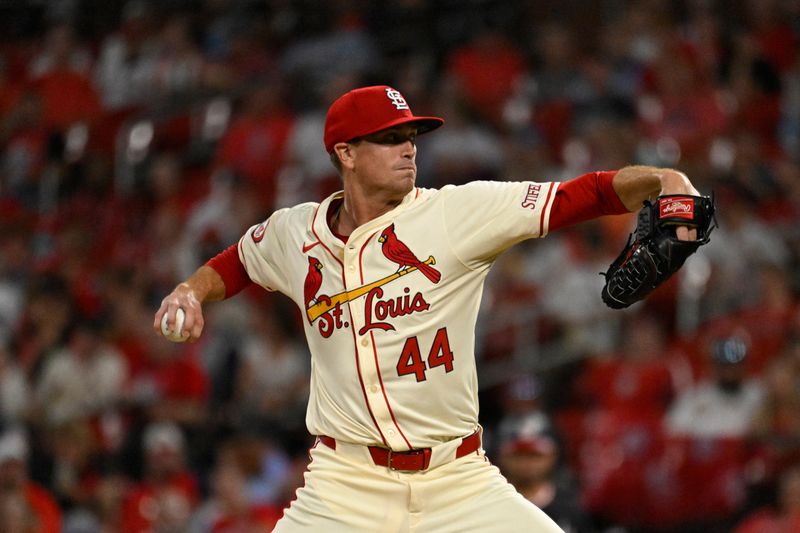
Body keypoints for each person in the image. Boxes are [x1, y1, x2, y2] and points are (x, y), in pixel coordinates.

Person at [154, 85, 703, 532]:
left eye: (411, 136)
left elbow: (585, 194)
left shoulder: (456, 213)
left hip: (457, 480)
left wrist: (664, 180)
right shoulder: (294, 231)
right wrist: (190, 291)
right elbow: (239, 262)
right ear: (345, 154)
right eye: (391, 139)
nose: (409, 149)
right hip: (344, 486)